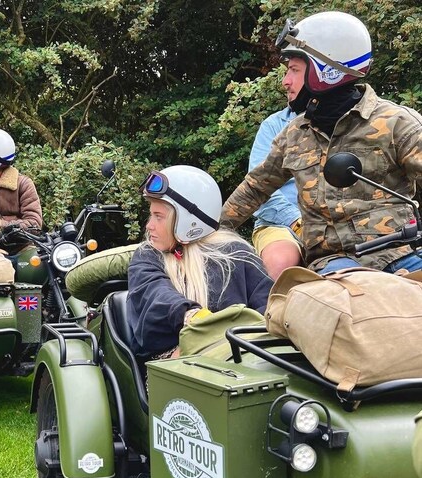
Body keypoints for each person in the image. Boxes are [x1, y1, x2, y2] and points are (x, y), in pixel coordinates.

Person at [220, 11, 422, 275]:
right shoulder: (293, 135)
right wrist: (206, 234)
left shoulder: (397, 123)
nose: (285, 81)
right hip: (336, 262)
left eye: (294, 70)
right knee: (342, 305)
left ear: (327, 70)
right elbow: (254, 189)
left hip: (401, 251)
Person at [127, 165, 273, 360]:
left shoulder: (237, 253)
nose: (149, 226)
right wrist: (188, 314)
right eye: (151, 214)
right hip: (175, 362)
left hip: (242, 353)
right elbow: (154, 291)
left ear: (189, 220)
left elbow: (268, 304)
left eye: (159, 217)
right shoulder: (148, 256)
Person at [249, 58, 305, 280]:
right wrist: (300, 224)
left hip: (341, 224)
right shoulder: (273, 126)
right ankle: (269, 313)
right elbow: (259, 193)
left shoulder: (355, 125)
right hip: (282, 224)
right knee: (281, 260)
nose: (285, 81)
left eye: (294, 71)